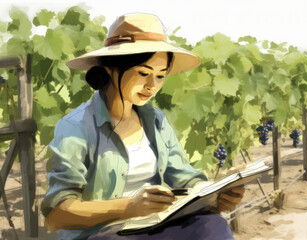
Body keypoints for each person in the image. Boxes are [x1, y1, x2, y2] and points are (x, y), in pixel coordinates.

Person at [41, 13, 245, 240]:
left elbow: (185, 178)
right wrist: (129, 207)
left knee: (212, 225)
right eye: (143, 73)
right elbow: (57, 214)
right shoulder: (75, 127)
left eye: (160, 76)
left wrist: (217, 195)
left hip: (152, 229)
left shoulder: (155, 121)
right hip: (102, 235)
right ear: (110, 68)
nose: (152, 86)